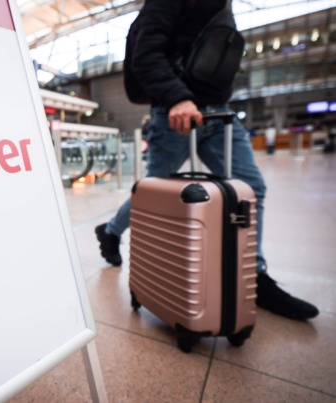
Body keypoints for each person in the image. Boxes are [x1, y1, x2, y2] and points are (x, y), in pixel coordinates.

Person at [95, 0, 319, 320]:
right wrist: (177, 96)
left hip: (219, 112)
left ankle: (254, 275)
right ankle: (112, 230)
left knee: (250, 189)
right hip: (175, 112)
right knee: (153, 192)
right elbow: (146, 53)